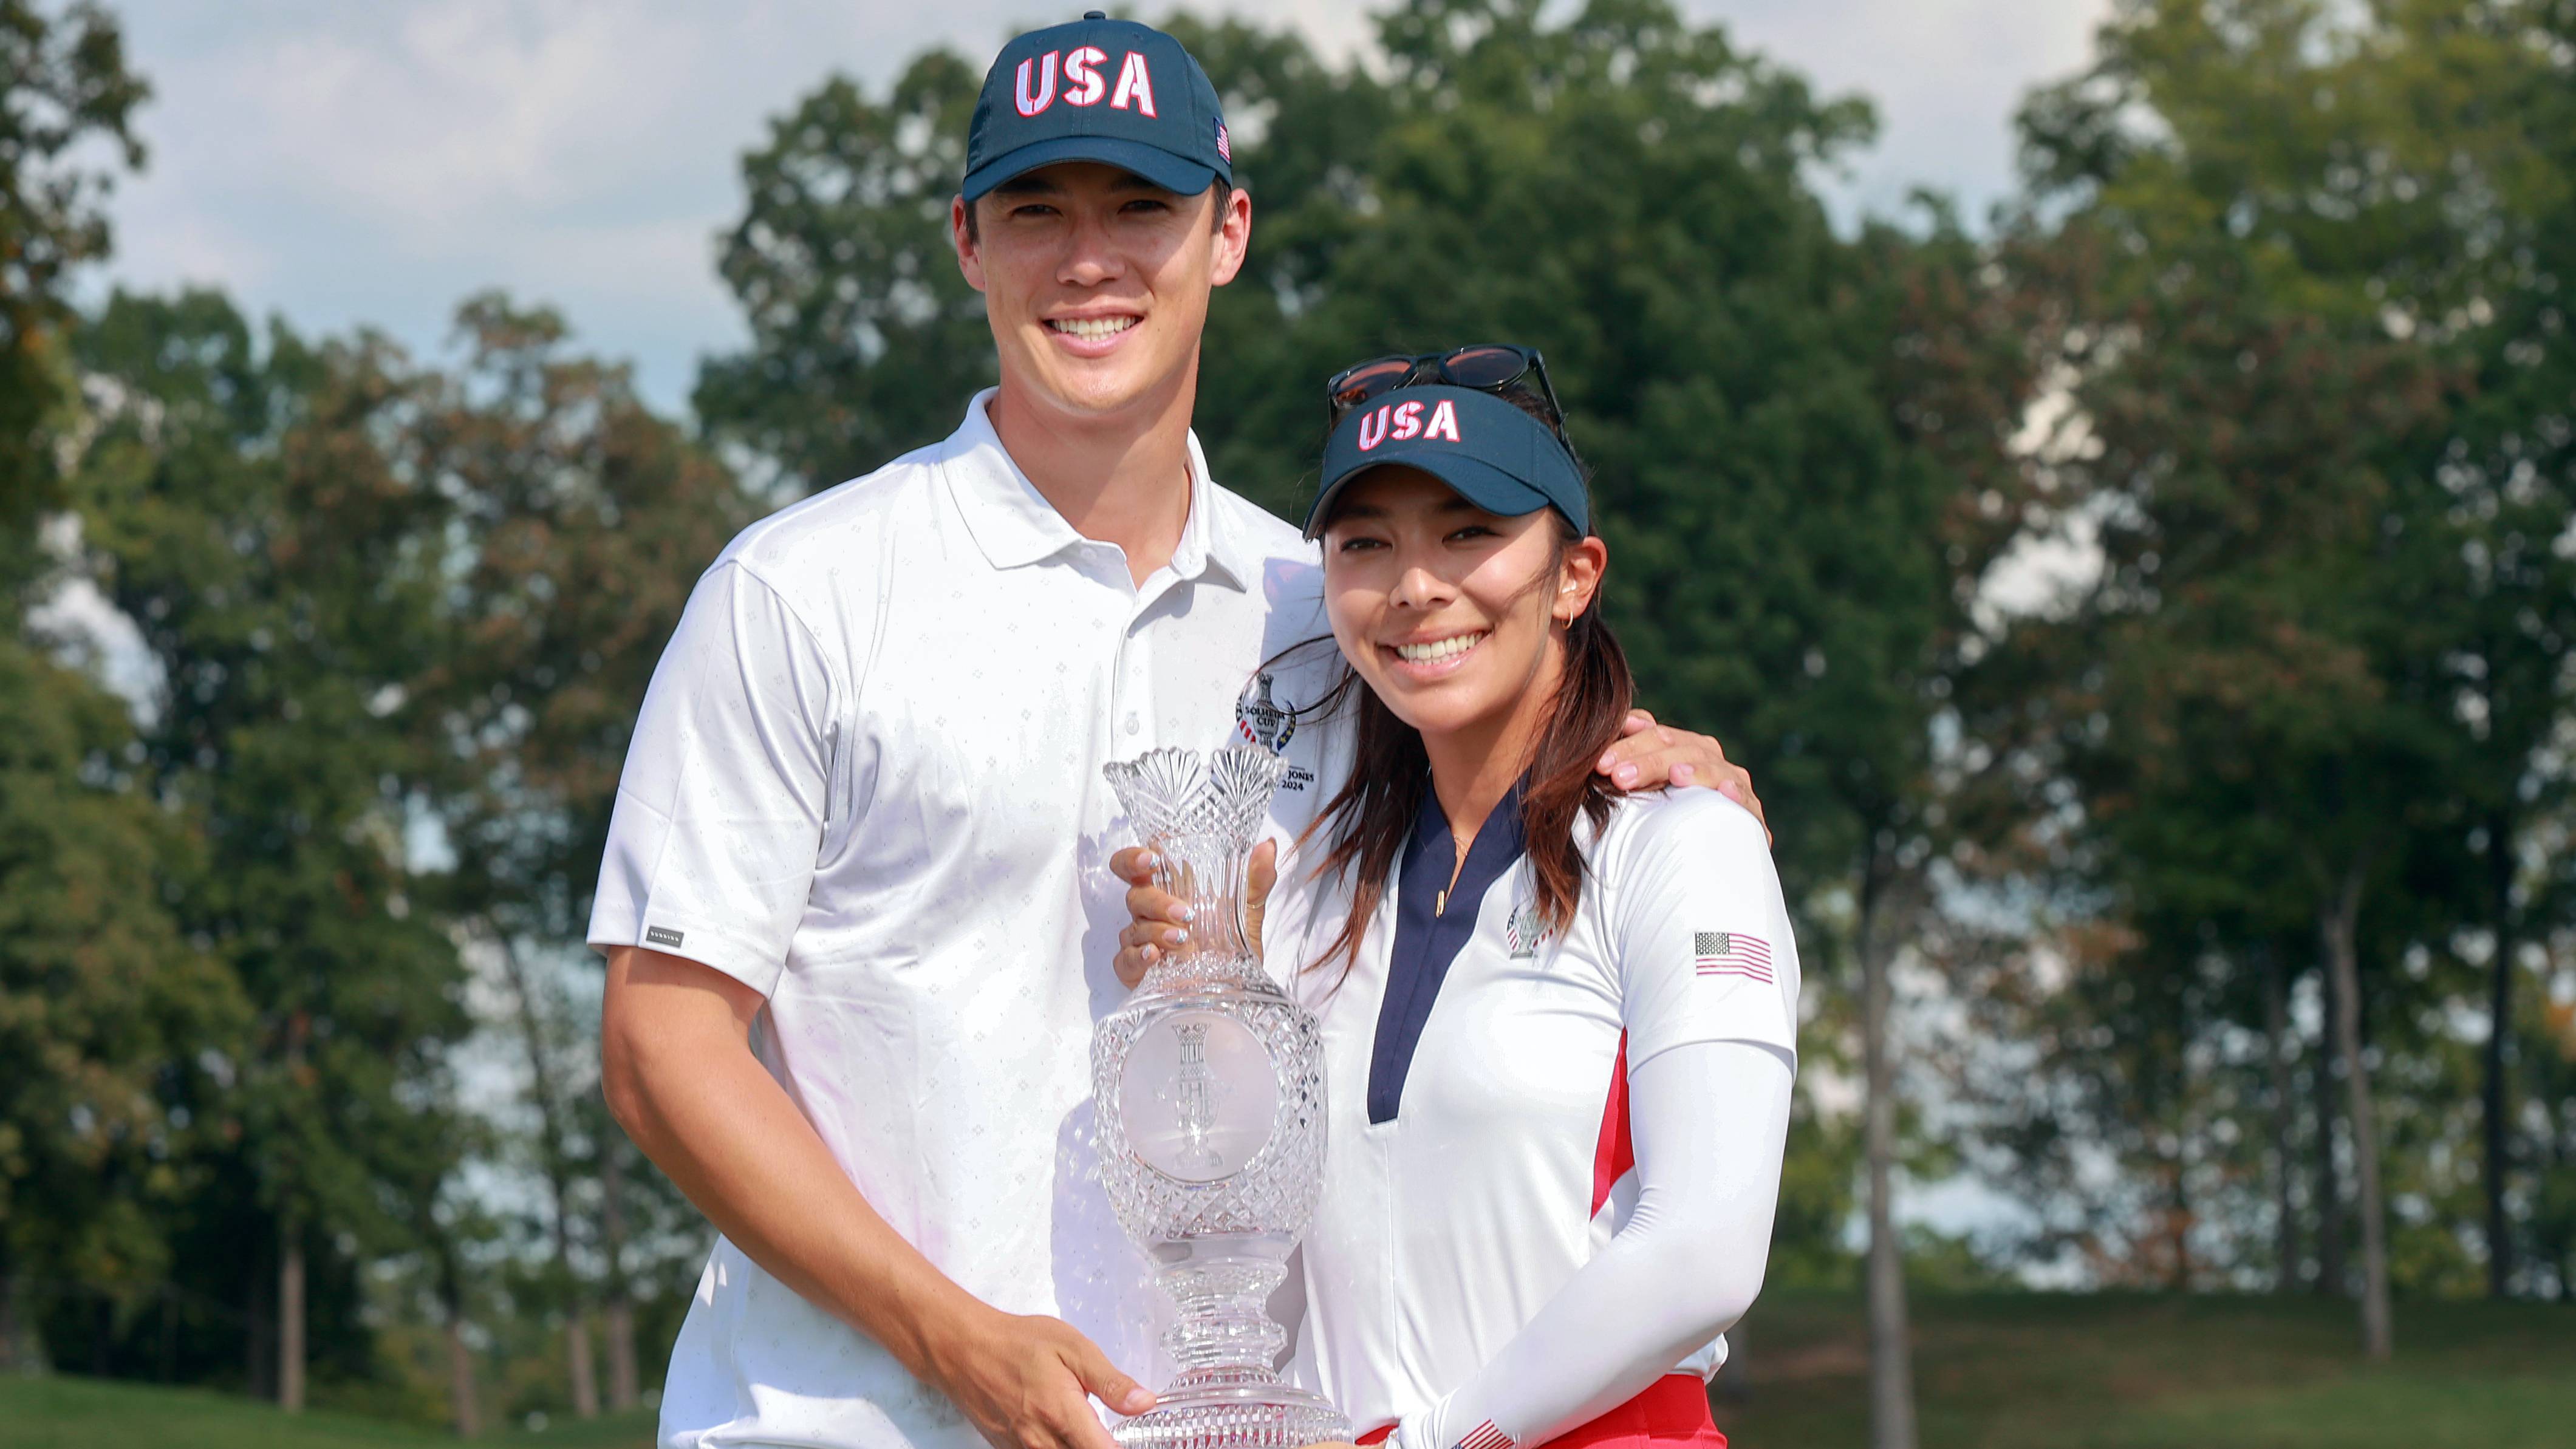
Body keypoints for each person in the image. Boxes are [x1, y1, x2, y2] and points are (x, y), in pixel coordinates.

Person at [588, 15, 1765, 1449]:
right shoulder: (802, 591)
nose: (1092, 259)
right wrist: (950, 1336)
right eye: (1038, 211)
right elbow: (662, 1046)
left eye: (1143, 207)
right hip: (843, 1420)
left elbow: (1513, 788)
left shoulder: (1326, 615)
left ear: (1228, 232)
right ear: (968, 240)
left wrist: (1665, 783)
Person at [1115, 352, 1797, 1449]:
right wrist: (1204, 1009)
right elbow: (1288, 1270)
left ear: (1574, 575)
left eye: (1468, 532)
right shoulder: (1318, 890)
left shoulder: (1683, 840)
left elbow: (1706, 1247)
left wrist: (1436, 1442)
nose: (1414, 585)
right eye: (1366, 543)